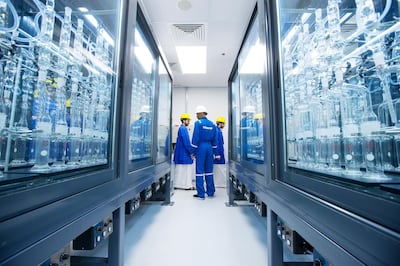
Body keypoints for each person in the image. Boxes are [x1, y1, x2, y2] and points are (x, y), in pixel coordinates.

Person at [191, 105, 218, 199]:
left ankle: (201, 193)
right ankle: (210, 192)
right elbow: (215, 140)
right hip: (209, 148)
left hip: (201, 147)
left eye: (197, 114)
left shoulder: (198, 123)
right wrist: (214, 151)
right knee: (209, 171)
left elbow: (195, 138)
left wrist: (193, 152)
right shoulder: (212, 124)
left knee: (199, 171)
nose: (196, 116)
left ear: (201, 113)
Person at [173, 113, 194, 190]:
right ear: (184, 120)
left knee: (180, 170)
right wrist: (191, 152)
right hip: (184, 154)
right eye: (188, 120)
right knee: (186, 170)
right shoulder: (183, 129)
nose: (189, 122)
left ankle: (180, 185)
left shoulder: (182, 129)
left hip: (181, 154)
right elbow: (187, 143)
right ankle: (186, 185)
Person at [213, 116, 226, 188]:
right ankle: (219, 183)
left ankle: (220, 183)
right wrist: (217, 154)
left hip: (220, 153)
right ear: (220, 123)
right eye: (223, 124)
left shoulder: (218, 131)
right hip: (218, 154)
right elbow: (216, 143)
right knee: (219, 169)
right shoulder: (217, 131)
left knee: (220, 168)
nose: (224, 125)